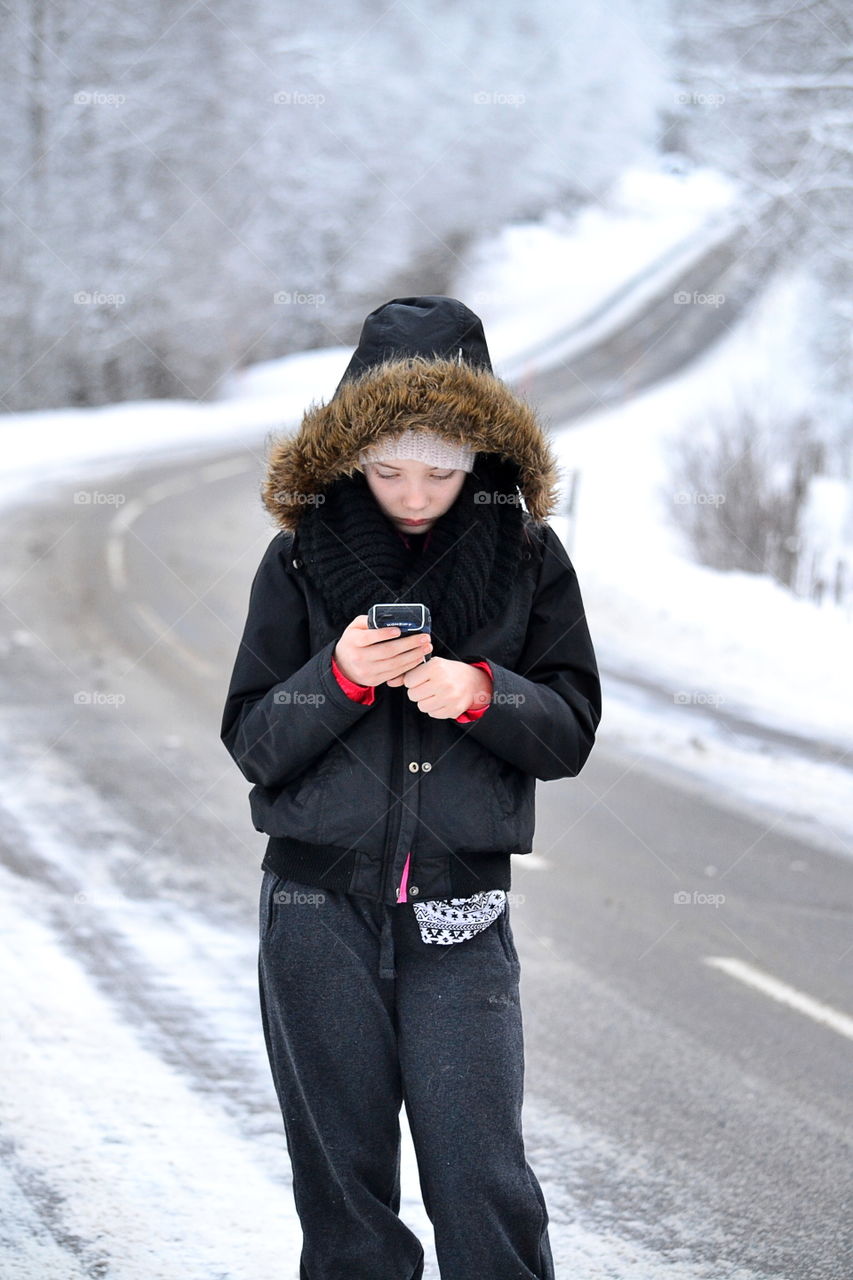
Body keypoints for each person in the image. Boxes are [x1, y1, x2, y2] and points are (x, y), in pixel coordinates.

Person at [220, 295, 602, 1279]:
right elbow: (255, 740)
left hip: (461, 910)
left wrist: (484, 692)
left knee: (480, 1173)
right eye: (388, 467)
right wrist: (338, 675)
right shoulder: (299, 559)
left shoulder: (528, 561)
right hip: (313, 907)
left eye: (442, 468)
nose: (415, 491)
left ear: (484, 451)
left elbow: (567, 733)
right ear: (351, 451)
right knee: (344, 1189)